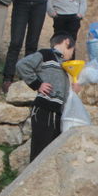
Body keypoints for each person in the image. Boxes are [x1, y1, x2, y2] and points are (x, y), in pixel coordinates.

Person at [15, 32, 77, 160]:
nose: (72, 54)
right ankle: (32, 179)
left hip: (57, 113)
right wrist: (38, 84)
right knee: (39, 152)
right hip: (44, 109)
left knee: (51, 155)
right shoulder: (46, 54)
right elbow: (22, 65)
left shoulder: (64, 65)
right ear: (66, 42)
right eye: (72, 50)